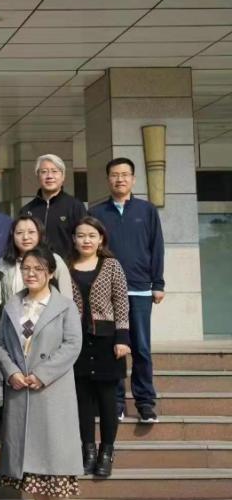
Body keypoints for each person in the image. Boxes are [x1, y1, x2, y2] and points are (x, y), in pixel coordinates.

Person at [0, 246, 83, 500]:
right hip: (21, 390)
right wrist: (11, 372)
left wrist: (42, 373)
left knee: (56, 457)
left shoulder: (65, 306)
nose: (31, 274)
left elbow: (72, 345)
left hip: (52, 390)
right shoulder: (12, 305)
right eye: (26, 268)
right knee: (30, 459)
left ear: (51, 272)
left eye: (38, 269)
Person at [89, 157, 165, 424]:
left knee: (141, 348)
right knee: (114, 348)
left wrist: (158, 283)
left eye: (124, 175)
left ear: (133, 179)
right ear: (107, 179)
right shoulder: (96, 213)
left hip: (140, 290)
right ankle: (116, 402)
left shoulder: (147, 210)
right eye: (114, 175)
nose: (119, 179)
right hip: (107, 293)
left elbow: (157, 247)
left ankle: (145, 402)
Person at [69, 217, 131, 478]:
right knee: (82, 401)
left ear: (101, 239)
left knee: (107, 401)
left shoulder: (111, 265)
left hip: (107, 340)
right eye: (81, 235)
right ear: (74, 239)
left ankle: (107, 452)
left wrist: (123, 338)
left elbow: (121, 302)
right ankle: (88, 451)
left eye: (92, 235)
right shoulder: (65, 266)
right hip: (76, 341)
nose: (86, 240)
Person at [19, 154, 86, 259]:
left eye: (54, 171)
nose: (49, 176)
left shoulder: (75, 206)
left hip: (67, 266)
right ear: (37, 176)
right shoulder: (27, 210)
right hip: (34, 266)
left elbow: (84, 239)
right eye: (44, 172)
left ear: (63, 176)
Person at [0, 214, 73, 306]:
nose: (25, 237)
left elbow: (67, 299)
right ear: (12, 235)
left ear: (40, 234)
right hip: (12, 314)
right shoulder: (3, 263)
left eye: (31, 232)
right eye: (19, 233)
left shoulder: (54, 260)